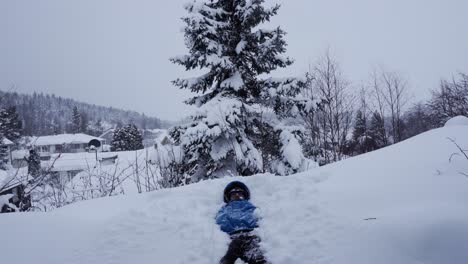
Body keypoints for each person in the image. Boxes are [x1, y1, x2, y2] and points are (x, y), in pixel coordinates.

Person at [215, 181, 269, 264]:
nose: (237, 195)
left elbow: (258, 217)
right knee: (227, 258)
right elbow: (220, 221)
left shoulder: (249, 206)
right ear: (229, 197)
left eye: (240, 193)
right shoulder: (225, 208)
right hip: (233, 237)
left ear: (244, 195)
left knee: (257, 257)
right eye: (233, 194)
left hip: (250, 235)